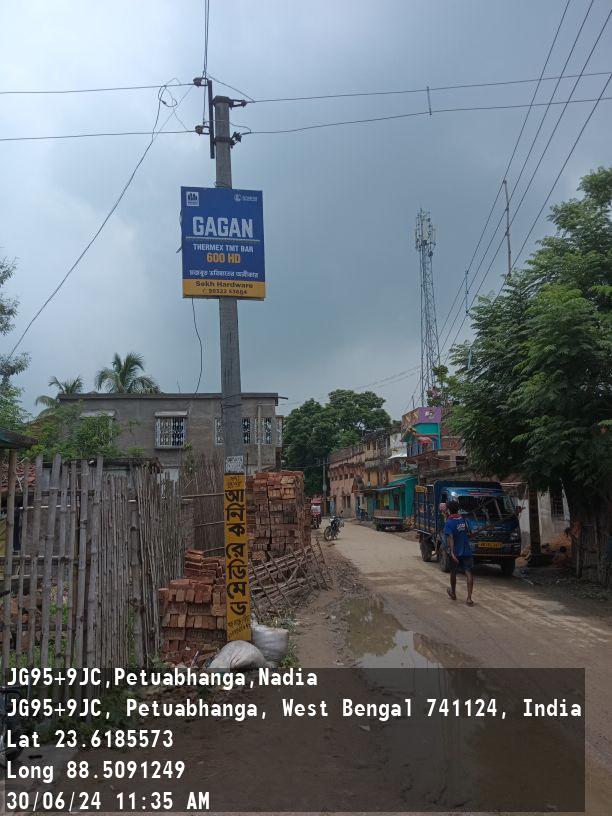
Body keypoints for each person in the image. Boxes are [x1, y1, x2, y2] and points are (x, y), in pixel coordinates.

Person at [443, 499, 474, 606]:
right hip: (466, 551)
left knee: (453, 572)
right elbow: (470, 533)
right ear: (458, 509)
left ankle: (453, 593)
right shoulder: (463, 520)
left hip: (456, 553)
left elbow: (450, 538)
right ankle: (469, 598)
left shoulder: (449, 523)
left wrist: (452, 553)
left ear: (448, 510)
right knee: (468, 572)